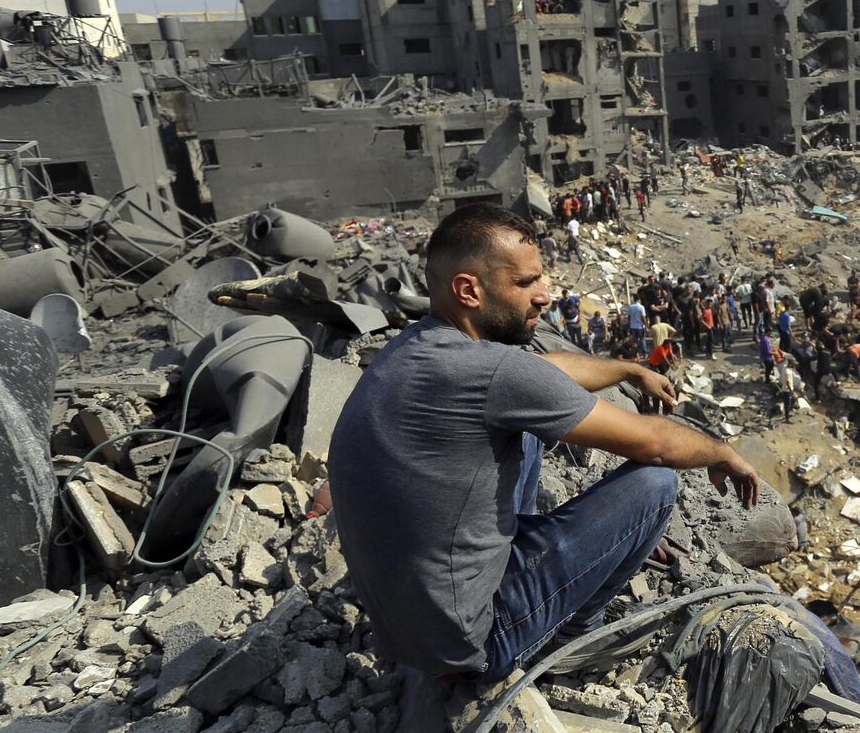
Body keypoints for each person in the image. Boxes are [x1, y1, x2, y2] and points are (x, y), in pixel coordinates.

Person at [326, 205, 762, 685]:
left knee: (527, 436)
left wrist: (628, 369)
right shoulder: (491, 373)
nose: (544, 296)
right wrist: (722, 452)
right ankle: (575, 633)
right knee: (655, 483)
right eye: (525, 283)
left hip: (407, 625)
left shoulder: (418, 346)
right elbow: (656, 446)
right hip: (474, 643)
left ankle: (547, 563)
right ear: (469, 290)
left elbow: (541, 375)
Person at [776, 354, 801, 422]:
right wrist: (791, 391)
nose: (794, 366)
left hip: (784, 388)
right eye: (793, 364)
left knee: (788, 403)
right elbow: (788, 382)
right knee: (787, 404)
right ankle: (787, 418)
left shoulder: (785, 368)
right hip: (787, 390)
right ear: (791, 364)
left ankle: (788, 415)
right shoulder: (788, 372)